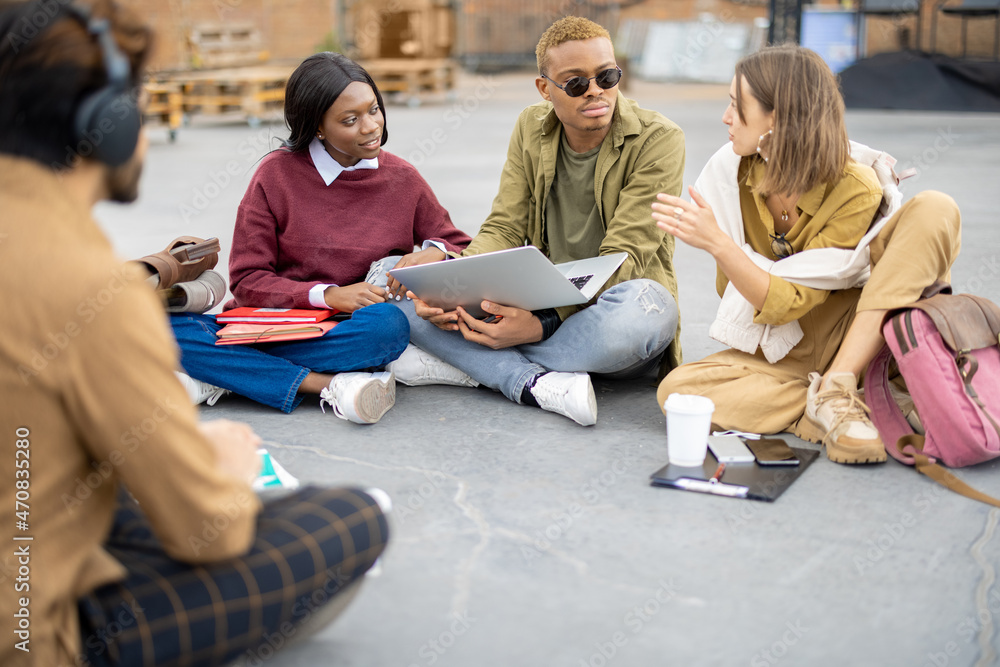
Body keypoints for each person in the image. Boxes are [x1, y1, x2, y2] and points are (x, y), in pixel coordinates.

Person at [0, 3, 390, 666]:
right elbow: (203, 531)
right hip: (32, 635)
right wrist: (228, 472)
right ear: (110, 128)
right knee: (359, 513)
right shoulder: (91, 285)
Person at [653, 44, 961, 464]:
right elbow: (737, 294)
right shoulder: (731, 174)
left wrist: (719, 244)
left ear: (776, 118)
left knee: (935, 207)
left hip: (851, 336)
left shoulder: (854, 187)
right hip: (781, 355)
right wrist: (723, 248)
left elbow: (791, 301)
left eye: (736, 106)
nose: (725, 118)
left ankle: (842, 385)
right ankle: (844, 406)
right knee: (677, 392)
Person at [384, 16, 685, 426]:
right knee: (391, 279)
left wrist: (542, 324)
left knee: (649, 310)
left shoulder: (659, 139)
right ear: (546, 89)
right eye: (576, 83)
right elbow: (505, 226)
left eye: (608, 76)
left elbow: (624, 255)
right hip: (531, 301)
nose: (596, 91)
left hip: (601, 312)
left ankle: (471, 364)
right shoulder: (531, 127)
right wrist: (457, 283)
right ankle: (526, 378)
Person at [169, 52, 472, 423]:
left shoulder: (402, 179)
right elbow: (247, 281)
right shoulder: (274, 176)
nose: (371, 126)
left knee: (388, 328)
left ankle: (226, 375)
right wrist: (326, 294)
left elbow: (462, 244)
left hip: (348, 331)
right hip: (269, 323)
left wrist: (436, 252)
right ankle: (325, 385)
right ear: (317, 128)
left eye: (374, 110)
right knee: (163, 327)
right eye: (350, 119)